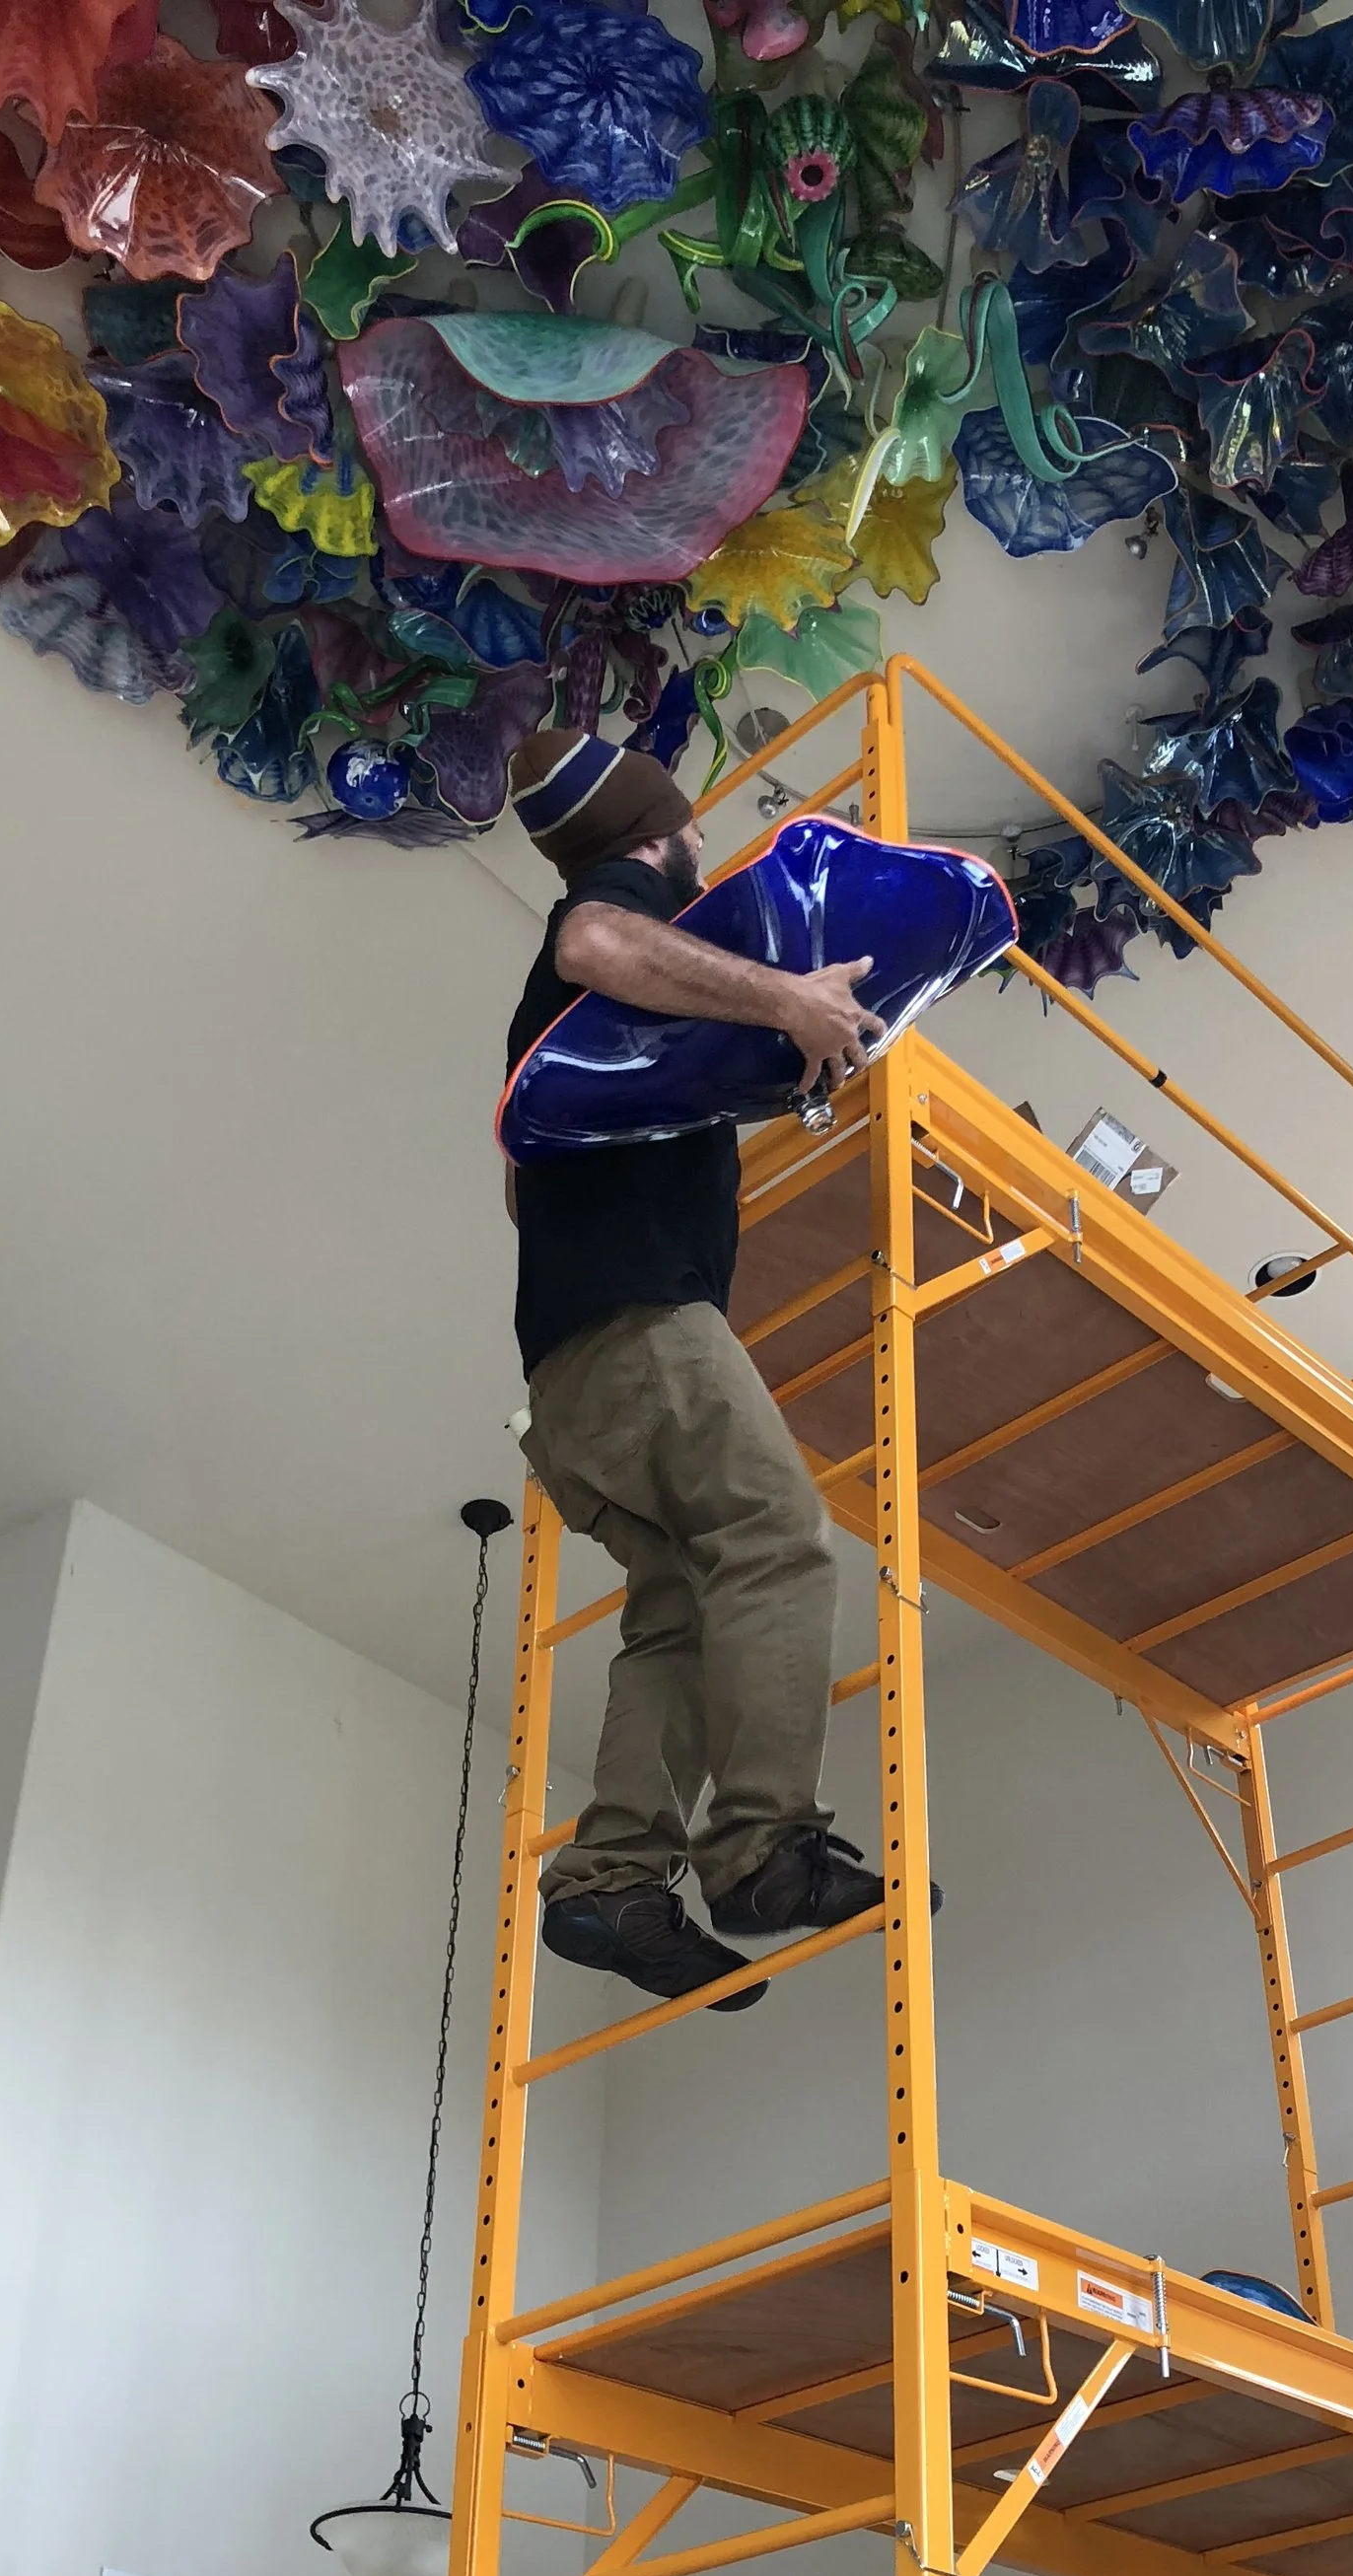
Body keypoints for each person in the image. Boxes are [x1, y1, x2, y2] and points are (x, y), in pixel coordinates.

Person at [501, 722, 897, 2011]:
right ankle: (759, 1851)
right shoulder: (613, 909)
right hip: (638, 1329)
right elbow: (596, 939)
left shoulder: (572, 1042)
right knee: (780, 1540)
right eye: (695, 839)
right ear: (658, 834)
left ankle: (613, 1878)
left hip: (568, 1384)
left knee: (682, 1597)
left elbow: (519, 1188)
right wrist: (783, 996)